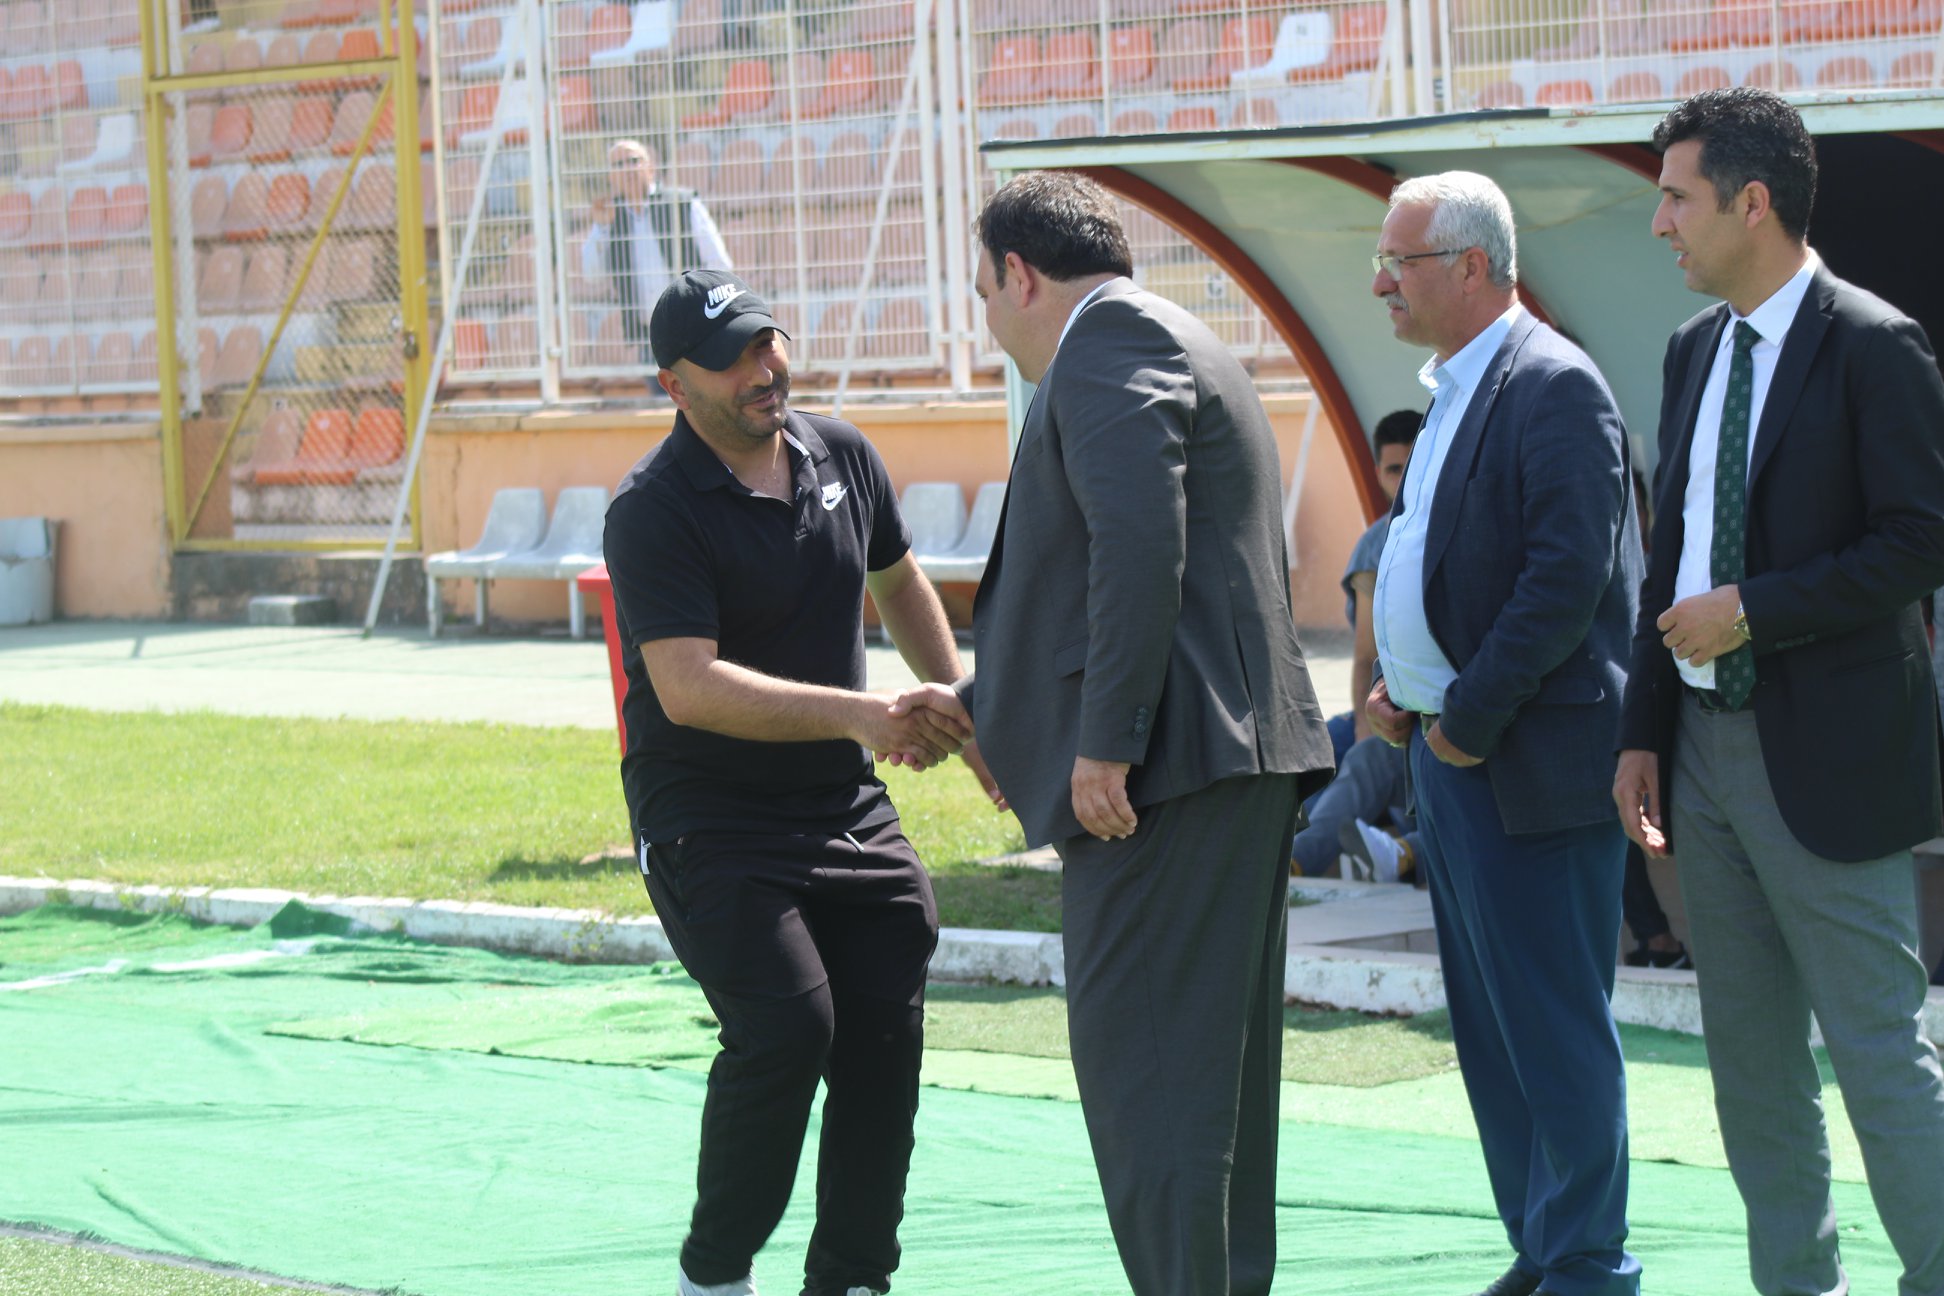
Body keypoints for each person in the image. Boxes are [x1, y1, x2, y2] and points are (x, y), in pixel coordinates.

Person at [951, 170, 1334, 1295]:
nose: (990, 321)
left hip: (1161, 777)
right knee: (1205, 1096)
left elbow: (1137, 547)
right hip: (1207, 765)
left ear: (1020, 273)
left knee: (1151, 1089)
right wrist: (991, 705)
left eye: (985, 293)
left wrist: (1106, 742)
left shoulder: (1110, 344)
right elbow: (1122, 571)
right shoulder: (1166, 336)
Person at [1614, 87, 1944, 1296]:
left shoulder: (1875, 342)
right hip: (1699, 757)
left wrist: (1754, 608)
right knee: (1750, 1066)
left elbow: (1922, 541)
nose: (1660, 222)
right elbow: (1670, 558)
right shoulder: (1691, 349)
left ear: (1752, 202)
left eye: (1676, 197)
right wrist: (1643, 732)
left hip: (1833, 762)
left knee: (1877, 1054)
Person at [600, 269, 979, 1296]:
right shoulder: (650, 509)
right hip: (707, 818)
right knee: (788, 1027)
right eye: (732, 357)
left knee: (884, 1030)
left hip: (840, 805)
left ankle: (852, 1278)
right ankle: (715, 1275)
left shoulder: (843, 454)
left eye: (767, 340)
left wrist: (959, 705)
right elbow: (688, 687)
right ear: (676, 385)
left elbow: (897, 580)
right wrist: (862, 715)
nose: (763, 367)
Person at [1363, 170, 1643, 1296]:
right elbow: (1441, 562)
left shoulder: (1554, 385)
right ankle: (1545, 1245)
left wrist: (1466, 719)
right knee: (1493, 1029)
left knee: (1554, 1025)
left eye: (1400, 261)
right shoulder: (1455, 387)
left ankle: (1588, 1265)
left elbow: (1566, 581)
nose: (1380, 283)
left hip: (1520, 762)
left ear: (1472, 266)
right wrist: (1400, 692)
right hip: (1451, 755)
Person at [1292, 408, 1425, 882]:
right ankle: (1274, 851)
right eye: (1393, 468)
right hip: (1377, 709)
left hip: (1424, 714)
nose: (1404, 479)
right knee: (1308, 749)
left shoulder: (1457, 529)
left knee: (1367, 760)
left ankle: (1295, 862)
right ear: (1377, 473)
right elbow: (1367, 655)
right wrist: (1369, 730)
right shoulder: (1376, 543)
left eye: (1414, 464)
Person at [1618, 466, 1689, 968]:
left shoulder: (1671, 575)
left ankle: (1659, 941)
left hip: (1680, 735)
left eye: (1633, 509)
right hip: (1631, 742)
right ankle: (1657, 940)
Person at [583, 140, 733, 367]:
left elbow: (719, 262)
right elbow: (592, 276)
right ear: (611, 177)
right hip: (649, 337)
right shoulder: (610, 216)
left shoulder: (682, 202)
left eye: (633, 160)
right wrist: (602, 227)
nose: (627, 169)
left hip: (693, 326)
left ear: (651, 167)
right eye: (618, 164)